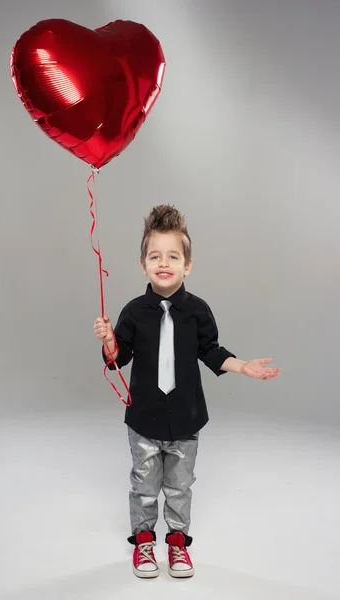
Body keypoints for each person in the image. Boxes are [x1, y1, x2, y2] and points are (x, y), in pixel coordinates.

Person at [93, 205, 281, 579]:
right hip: (144, 417)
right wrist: (109, 342)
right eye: (155, 256)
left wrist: (242, 366)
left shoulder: (197, 311)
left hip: (186, 417)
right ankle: (144, 541)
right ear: (143, 264)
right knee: (144, 485)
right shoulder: (133, 312)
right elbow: (119, 360)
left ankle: (177, 543)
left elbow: (211, 351)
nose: (164, 263)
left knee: (179, 486)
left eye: (173, 256)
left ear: (188, 265)